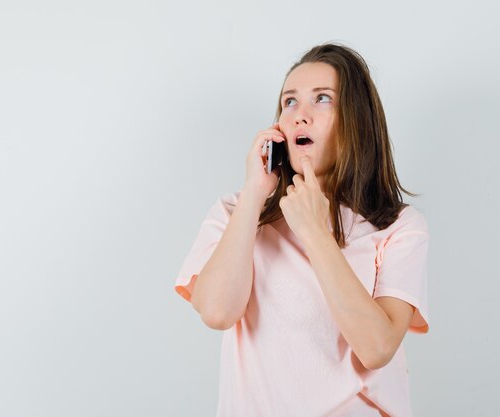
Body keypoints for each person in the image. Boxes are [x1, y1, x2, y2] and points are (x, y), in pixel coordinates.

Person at [174, 42, 430, 417]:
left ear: (357, 121)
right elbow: (216, 312)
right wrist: (254, 197)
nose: (299, 115)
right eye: (289, 101)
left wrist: (315, 232)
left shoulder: (399, 226)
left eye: (322, 99)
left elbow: (377, 348)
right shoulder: (235, 212)